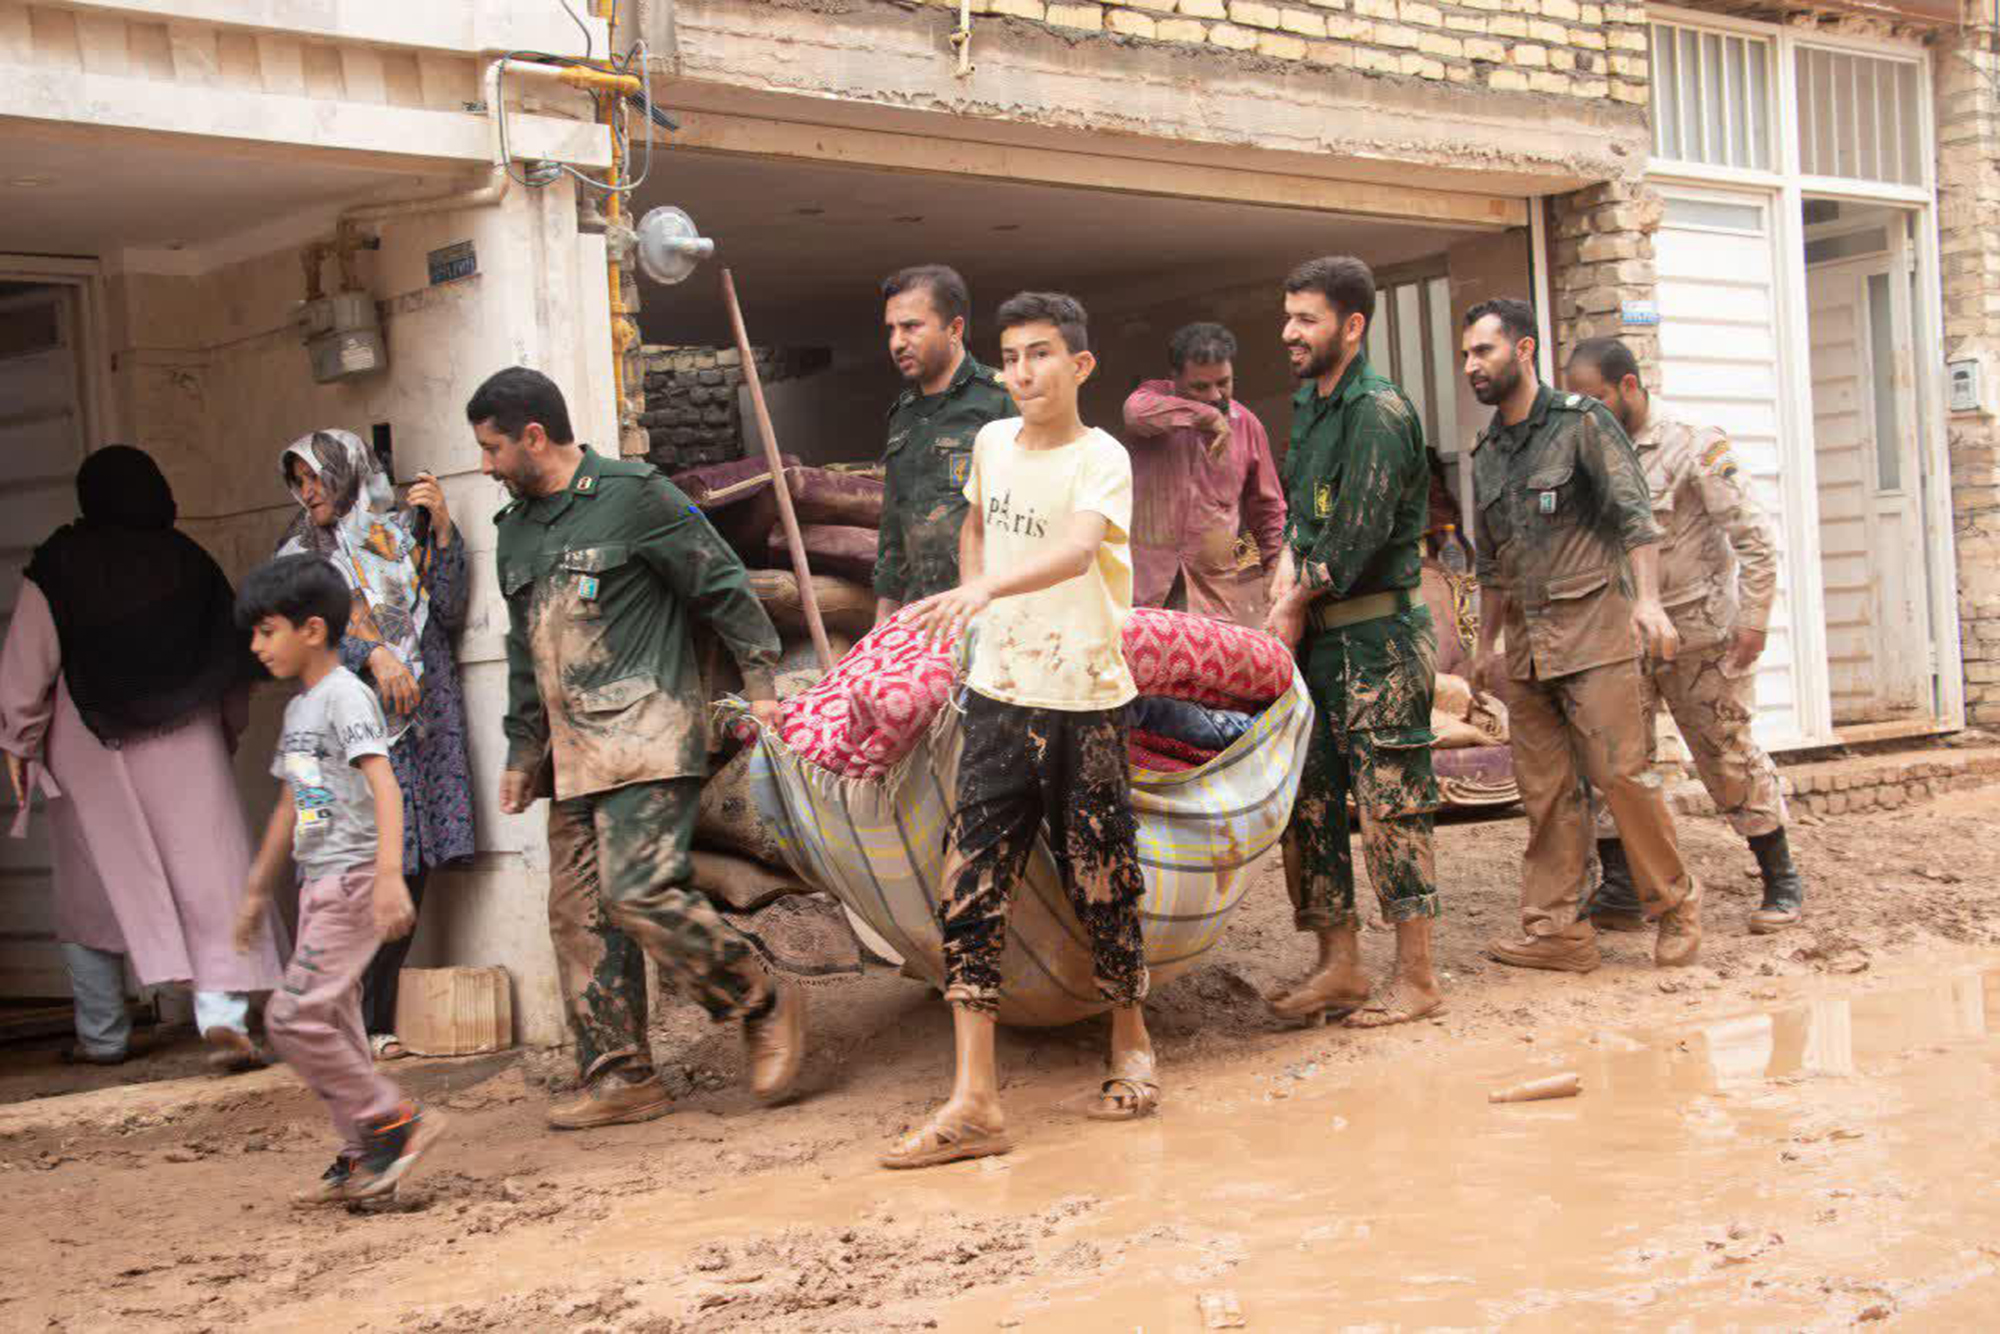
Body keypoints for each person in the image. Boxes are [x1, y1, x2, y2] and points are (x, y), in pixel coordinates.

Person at [475, 367, 806, 1131]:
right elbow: (527, 651)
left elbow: (721, 582)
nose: (487, 466)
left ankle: (759, 995)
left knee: (638, 892)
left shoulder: (635, 495)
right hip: (571, 752)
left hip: (648, 731)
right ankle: (622, 1074)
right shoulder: (516, 532)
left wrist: (761, 678)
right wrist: (524, 750)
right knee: (577, 915)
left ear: (533, 436)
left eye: (493, 449)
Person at [892, 291, 1155, 1170]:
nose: (1022, 373)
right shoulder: (991, 443)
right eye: (1010, 357)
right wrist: (977, 615)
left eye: (1041, 354)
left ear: (1079, 367)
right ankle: (974, 1099)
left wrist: (983, 592)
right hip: (999, 695)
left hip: (1087, 695)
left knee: (1102, 874)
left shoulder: (1102, 457)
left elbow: (1081, 550)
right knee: (969, 883)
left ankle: (1131, 1039)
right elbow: (975, 524)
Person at [1, 446, 280, 1071]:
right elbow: (234, 666)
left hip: (91, 746)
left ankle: (102, 1035)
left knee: (93, 890)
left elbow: (28, 665)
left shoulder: (58, 564)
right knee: (211, 881)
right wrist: (222, 732)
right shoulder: (189, 560)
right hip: (190, 740)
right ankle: (223, 1022)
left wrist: (19, 742)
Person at [1462, 299, 1704, 973]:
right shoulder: (1486, 452)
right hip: (1530, 647)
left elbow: (1636, 517)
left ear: (1524, 349)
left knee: (1623, 777)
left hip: (1595, 630)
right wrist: (1485, 645)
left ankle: (1676, 909)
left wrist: (1649, 603)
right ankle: (1557, 931)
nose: (1471, 366)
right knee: (1545, 793)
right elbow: (1492, 562)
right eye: (1466, 356)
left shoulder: (1584, 424)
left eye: (1483, 351)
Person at [1564, 338, 1806, 934]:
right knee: (1615, 760)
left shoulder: (1694, 443)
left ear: (1628, 386)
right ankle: (1623, 885)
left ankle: (1780, 878)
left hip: (1699, 635)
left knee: (1726, 755)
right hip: (1620, 638)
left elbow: (1754, 538)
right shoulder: (1590, 453)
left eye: (1596, 398)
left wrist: (1754, 621)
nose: (1587, 411)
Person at [1262, 257, 1444, 1028]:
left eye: (1306, 319)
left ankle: (1418, 978)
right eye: (1289, 316)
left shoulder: (1380, 412)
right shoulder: (1314, 405)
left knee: (1391, 803)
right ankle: (1339, 965)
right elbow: (1302, 522)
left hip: (1381, 637)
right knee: (1309, 800)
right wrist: (1280, 590)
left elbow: (1358, 535)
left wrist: (1296, 599)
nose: (1289, 333)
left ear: (1352, 325)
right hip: (1320, 643)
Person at [233, 554, 441, 1203]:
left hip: (352, 880)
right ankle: (363, 1154)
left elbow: (386, 786)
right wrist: (258, 890)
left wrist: (386, 877)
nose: (256, 646)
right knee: (338, 1024)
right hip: (319, 882)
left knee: (294, 1018)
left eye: (267, 630)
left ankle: (393, 1119)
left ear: (313, 630)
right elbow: (298, 803)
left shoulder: (347, 696)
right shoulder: (300, 712)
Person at [277, 430, 475, 1060]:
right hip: (356, 723)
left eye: (317, 477)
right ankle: (351, 1020)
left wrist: (443, 529)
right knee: (358, 864)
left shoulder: (399, 533)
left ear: (351, 473)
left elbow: (445, 609)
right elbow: (305, 640)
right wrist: (373, 651)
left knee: (411, 866)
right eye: (300, 481)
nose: (309, 493)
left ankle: (374, 1018)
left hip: (421, 716)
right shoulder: (299, 557)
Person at [874, 264, 1015, 625]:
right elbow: (893, 527)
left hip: (989, 611)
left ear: (954, 328)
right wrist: (884, 620)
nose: (897, 342)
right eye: (891, 329)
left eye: (911, 327)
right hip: (920, 612)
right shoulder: (902, 415)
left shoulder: (1001, 401)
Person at [1120, 322, 1286, 623]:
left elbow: (1268, 511)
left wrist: (1270, 580)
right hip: (1145, 597)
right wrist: (1206, 417)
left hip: (1214, 602)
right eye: (1200, 387)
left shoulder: (1248, 426)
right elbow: (1134, 413)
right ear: (1174, 379)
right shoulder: (1152, 400)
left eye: (1223, 383)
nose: (1214, 395)